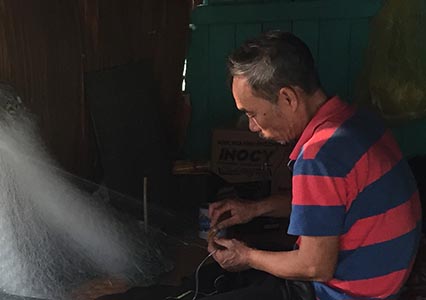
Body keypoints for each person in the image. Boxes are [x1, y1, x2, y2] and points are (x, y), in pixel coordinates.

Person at [207, 31, 422, 300]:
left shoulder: (319, 156)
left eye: (252, 113)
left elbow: (314, 266)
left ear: (287, 98)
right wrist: (255, 209)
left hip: (347, 294)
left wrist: (247, 256)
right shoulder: (358, 122)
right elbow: (331, 207)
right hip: (386, 278)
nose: (252, 127)